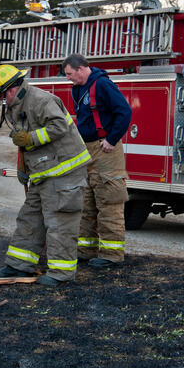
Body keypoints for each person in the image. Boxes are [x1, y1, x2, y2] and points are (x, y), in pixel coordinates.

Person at [0, 64, 91, 287]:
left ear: (10, 90)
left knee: (59, 222)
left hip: (65, 172)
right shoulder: (16, 105)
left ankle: (62, 274)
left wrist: (31, 138)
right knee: (29, 218)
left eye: (0, 95)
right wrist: (24, 170)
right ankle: (19, 265)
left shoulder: (41, 100)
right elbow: (24, 144)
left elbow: (59, 126)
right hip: (44, 174)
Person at [62, 53, 132, 268]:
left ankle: (111, 255)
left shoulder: (102, 85)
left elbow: (124, 111)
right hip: (88, 149)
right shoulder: (79, 89)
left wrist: (111, 139)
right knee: (87, 201)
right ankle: (86, 249)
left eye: (69, 74)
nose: (68, 79)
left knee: (109, 201)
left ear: (81, 69)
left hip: (105, 150)